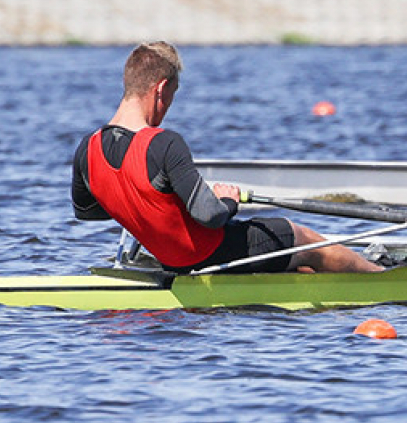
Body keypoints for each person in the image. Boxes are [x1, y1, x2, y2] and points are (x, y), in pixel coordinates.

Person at [71, 41, 383, 275]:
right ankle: (379, 276)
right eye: (172, 97)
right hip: (208, 253)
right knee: (300, 236)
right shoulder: (164, 143)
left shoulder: (87, 149)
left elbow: (89, 212)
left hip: (169, 259)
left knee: (284, 252)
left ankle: (298, 273)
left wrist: (151, 205)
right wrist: (227, 199)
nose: (168, 108)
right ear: (161, 89)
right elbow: (212, 216)